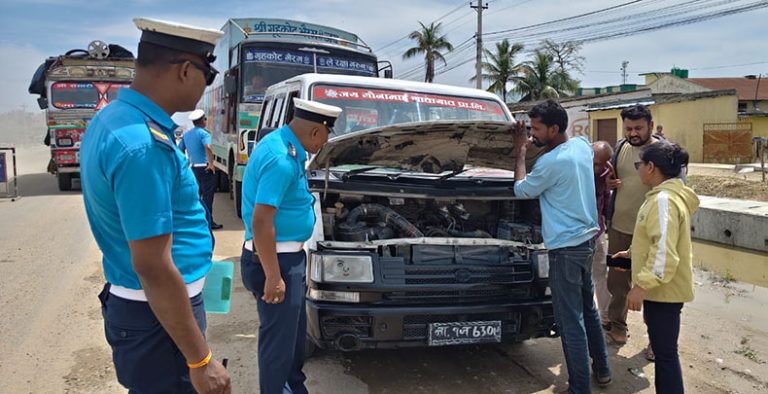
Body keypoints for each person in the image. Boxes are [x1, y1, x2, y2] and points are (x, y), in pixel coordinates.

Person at [79, 17, 231, 393]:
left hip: (153, 310)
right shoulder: (143, 145)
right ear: (184, 70)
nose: (204, 86)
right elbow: (153, 266)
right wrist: (200, 360)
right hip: (157, 315)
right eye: (207, 76)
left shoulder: (115, 118)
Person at [240, 98, 342, 394]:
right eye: (326, 136)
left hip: (286, 260)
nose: (325, 143)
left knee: (293, 340)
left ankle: (294, 388)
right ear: (315, 132)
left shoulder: (286, 148)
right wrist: (273, 277)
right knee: (278, 345)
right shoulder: (281, 160)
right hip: (276, 262)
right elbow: (261, 221)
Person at [512, 100, 611, 393]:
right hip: (586, 242)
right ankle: (603, 370)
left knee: (570, 323)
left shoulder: (549, 163)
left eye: (537, 129)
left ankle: (580, 388)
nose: (532, 135)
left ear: (554, 128)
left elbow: (521, 190)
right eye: (530, 130)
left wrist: (520, 152)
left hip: (566, 250)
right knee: (588, 311)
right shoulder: (581, 145)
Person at [612, 142, 698, 394]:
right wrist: (629, 255)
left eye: (639, 165)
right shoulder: (664, 197)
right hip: (662, 290)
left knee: (665, 355)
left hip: (664, 292)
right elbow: (653, 241)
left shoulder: (664, 200)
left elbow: (664, 253)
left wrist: (640, 286)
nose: (638, 170)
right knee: (664, 352)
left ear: (651, 167)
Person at [604, 104, 661, 348]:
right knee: (617, 282)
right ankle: (618, 326)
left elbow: (678, 191)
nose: (633, 133)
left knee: (654, 287)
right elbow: (613, 179)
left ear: (650, 124)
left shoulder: (663, 153)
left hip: (649, 233)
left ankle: (657, 340)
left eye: (638, 128)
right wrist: (608, 183)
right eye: (628, 128)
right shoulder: (620, 147)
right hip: (618, 227)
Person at [179, 109, 222, 230]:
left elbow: (180, 149)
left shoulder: (186, 135)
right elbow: (208, 147)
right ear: (202, 121)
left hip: (194, 168)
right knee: (208, 196)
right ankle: (208, 222)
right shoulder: (204, 134)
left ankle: (196, 221)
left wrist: (187, 161)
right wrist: (211, 163)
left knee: (196, 196)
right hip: (205, 168)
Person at [592, 141, 613, 328]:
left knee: (600, 275)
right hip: (576, 236)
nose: (595, 168)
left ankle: (605, 316)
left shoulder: (604, 177)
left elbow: (606, 202)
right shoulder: (577, 174)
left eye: (601, 164)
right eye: (593, 163)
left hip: (597, 233)